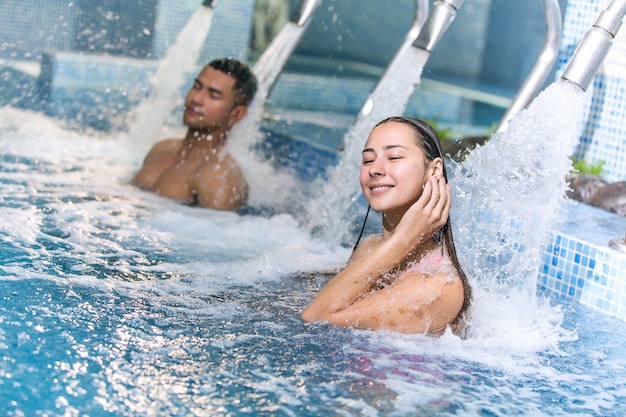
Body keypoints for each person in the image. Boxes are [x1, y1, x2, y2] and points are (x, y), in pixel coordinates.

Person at [301, 116, 472, 337]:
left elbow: (315, 319)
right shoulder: (369, 247)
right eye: (368, 160)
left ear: (434, 170)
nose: (375, 170)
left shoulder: (440, 285)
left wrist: (404, 239)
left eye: (394, 157)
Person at [133, 58, 258, 210]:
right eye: (197, 87)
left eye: (213, 95)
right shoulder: (162, 148)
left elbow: (219, 231)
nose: (196, 99)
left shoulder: (219, 176)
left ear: (236, 114)